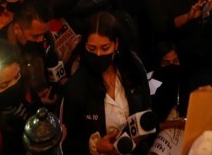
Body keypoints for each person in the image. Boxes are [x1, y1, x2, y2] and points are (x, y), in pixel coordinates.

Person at [61, 11, 153, 154]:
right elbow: (67, 142)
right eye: (92, 48)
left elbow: (146, 108)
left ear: (116, 44)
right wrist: (95, 147)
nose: (98, 54)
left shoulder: (133, 67)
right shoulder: (76, 87)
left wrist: (142, 132)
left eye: (105, 48)